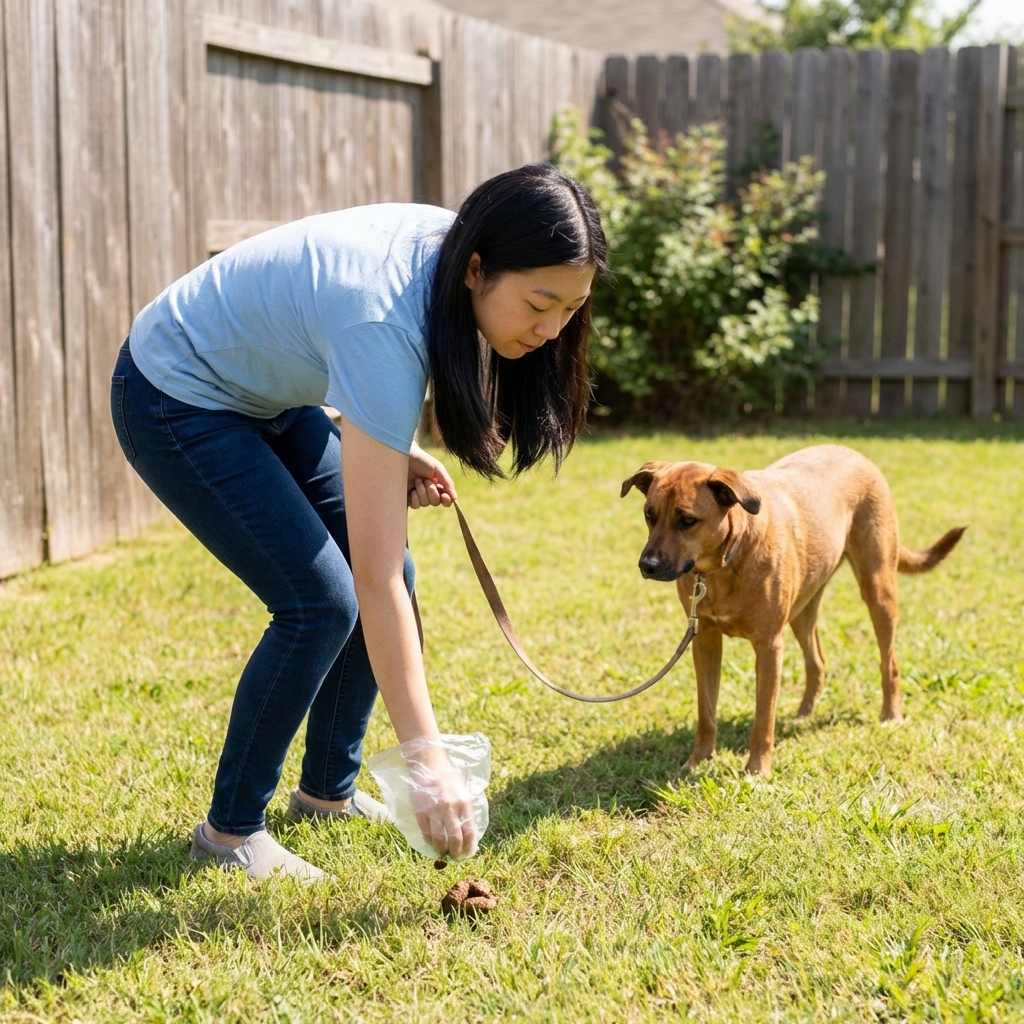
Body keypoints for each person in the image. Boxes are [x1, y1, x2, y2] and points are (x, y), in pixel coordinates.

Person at [110, 164, 607, 881]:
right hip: (175, 392)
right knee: (320, 602)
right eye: (539, 302)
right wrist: (427, 760)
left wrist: (392, 445)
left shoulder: (454, 255)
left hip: (268, 393)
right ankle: (227, 837)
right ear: (477, 269)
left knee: (392, 569)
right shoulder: (387, 317)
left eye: (572, 308)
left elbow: (326, 338)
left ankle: (325, 795)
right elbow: (368, 580)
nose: (553, 328)